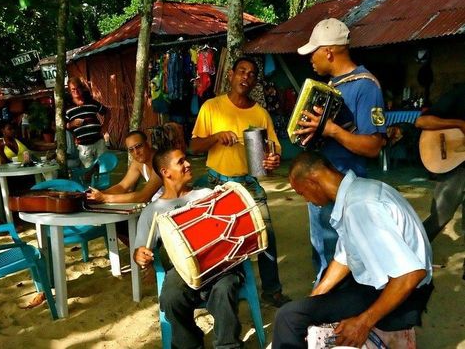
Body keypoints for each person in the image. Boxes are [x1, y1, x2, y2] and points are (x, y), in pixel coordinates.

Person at [272, 151, 434, 349]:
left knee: (288, 317)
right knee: (315, 296)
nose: (306, 199)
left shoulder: (360, 206)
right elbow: (345, 256)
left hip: (403, 297)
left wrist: (364, 322)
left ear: (313, 181)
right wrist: (316, 297)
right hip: (387, 282)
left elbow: (411, 274)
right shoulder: (360, 190)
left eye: (301, 192)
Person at [190, 56, 290, 307]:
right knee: (214, 237)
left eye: (251, 74)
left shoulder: (260, 113)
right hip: (216, 182)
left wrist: (273, 159)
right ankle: (214, 288)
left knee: (265, 233)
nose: (246, 77)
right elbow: (194, 145)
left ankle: (272, 289)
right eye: (241, 71)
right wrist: (215, 137)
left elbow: (273, 149)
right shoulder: (211, 107)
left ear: (255, 80)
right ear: (231, 75)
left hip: (248, 182)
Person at [295, 18, 386, 281]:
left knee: (345, 254)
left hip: (347, 186)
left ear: (328, 52)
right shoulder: (330, 88)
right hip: (320, 183)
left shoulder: (366, 86)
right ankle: (324, 300)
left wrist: (332, 130)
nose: (310, 58)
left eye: (313, 52)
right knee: (323, 251)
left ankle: (336, 308)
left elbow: (373, 146)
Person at [133, 148, 245, 349]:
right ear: (166, 172)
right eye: (181, 162)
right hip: (183, 271)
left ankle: (228, 346)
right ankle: (190, 344)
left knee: (224, 290)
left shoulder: (207, 195)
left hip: (219, 265)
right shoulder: (152, 211)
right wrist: (140, 255)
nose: (188, 164)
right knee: (170, 298)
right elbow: (140, 249)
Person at [415, 83, 465, 242]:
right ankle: (409, 252)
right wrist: (459, 124)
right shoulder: (461, 93)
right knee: (440, 216)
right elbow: (422, 122)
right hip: (456, 166)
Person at [86, 130, 162, 204]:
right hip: (156, 207)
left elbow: (144, 196)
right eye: (131, 150)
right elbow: (122, 186)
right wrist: (98, 194)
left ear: (148, 143)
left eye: (138, 146)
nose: (136, 152)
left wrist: (105, 198)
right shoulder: (138, 163)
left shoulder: (160, 162)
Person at [65, 77, 111, 168]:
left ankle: (104, 182)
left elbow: (107, 112)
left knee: (104, 167)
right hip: (83, 146)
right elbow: (64, 126)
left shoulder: (91, 102)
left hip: (99, 141)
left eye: (78, 88)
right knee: (89, 169)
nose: (76, 91)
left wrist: (105, 125)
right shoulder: (68, 108)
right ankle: (92, 181)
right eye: (73, 89)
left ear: (81, 88)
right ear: (70, 91)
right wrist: (72, 123)